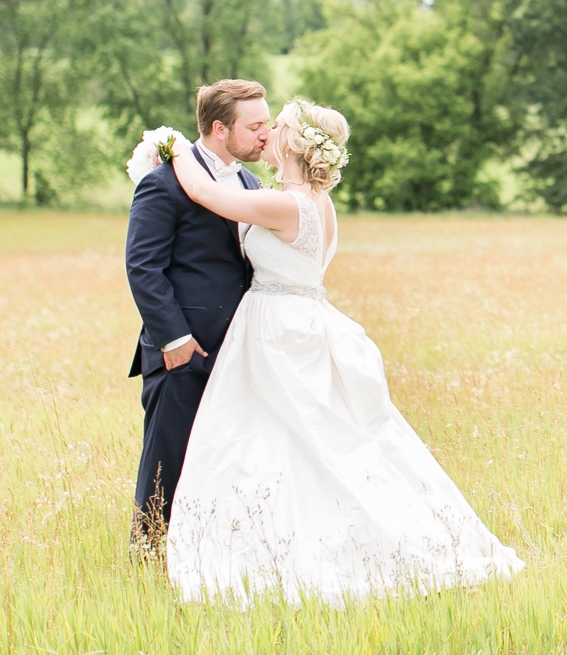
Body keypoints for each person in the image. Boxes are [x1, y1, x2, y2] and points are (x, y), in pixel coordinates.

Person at [162, 97, 525, 606]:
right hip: (302, 321)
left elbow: (202, 191)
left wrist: (171, 146)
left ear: (293, 142)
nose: (267, 132)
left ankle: (302, 545)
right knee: (303, 439)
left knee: (284, 437)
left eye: (277, 126)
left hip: (279, 330)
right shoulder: (315, 201)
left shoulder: (285, 204)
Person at [124, 79, 272, 551]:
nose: (265, 134)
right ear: (219, 129)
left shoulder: (248, 183)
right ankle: (148, 554)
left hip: (237, 351)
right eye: (255, 126)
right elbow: (143, 267)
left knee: (225, 458)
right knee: (167, 459)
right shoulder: (163, 183)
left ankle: (207, 553)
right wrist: (174, 341)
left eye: (267, 123)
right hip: (183, 350)